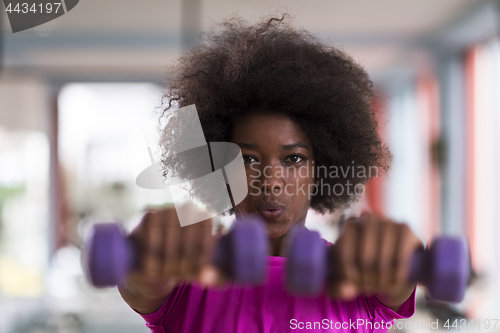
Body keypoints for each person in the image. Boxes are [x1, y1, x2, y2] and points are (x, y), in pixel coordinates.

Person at [118, 13, 422, 332]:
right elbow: (137, 282)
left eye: (292, 159)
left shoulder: (359, 278)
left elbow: (400, 280)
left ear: (321, 170)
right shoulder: (184, 277)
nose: (272, 182)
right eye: (248, 159)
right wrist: (144, 253)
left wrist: (400, 254)